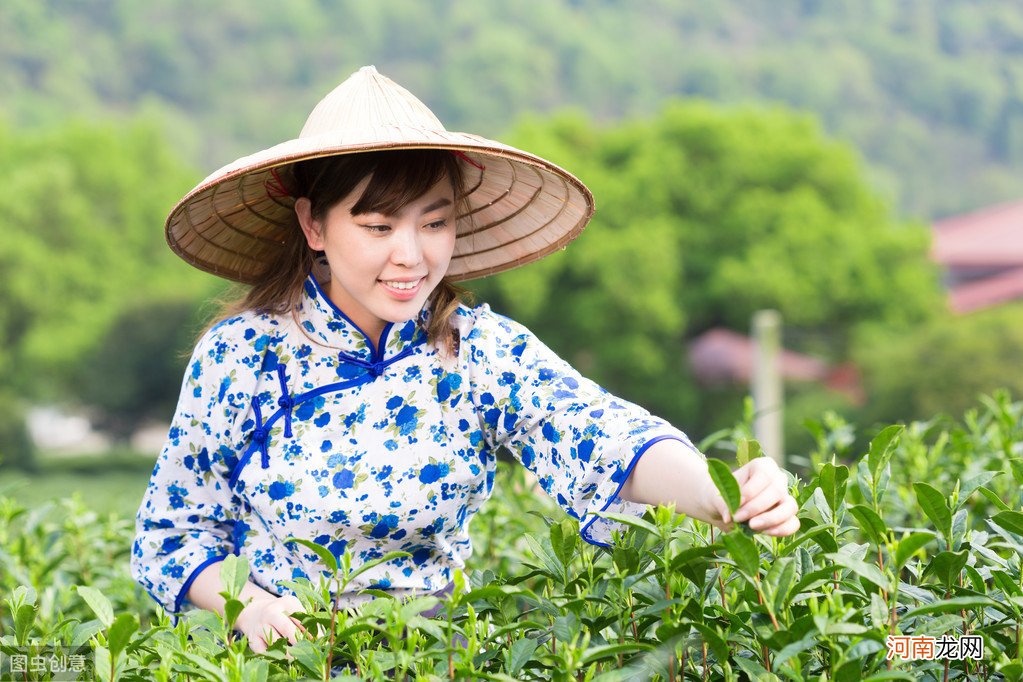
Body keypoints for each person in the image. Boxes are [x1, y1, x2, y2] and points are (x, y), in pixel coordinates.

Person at [130, 66, 800, 654]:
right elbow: (174, 530)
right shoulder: (245, 356)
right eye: (377, 226)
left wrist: (719, 491)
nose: (412, 255)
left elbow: (597, 434)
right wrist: (252, 607)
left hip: (439, 655)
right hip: (288, 658)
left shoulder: (477, 351)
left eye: (434, 222)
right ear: (313, 226)